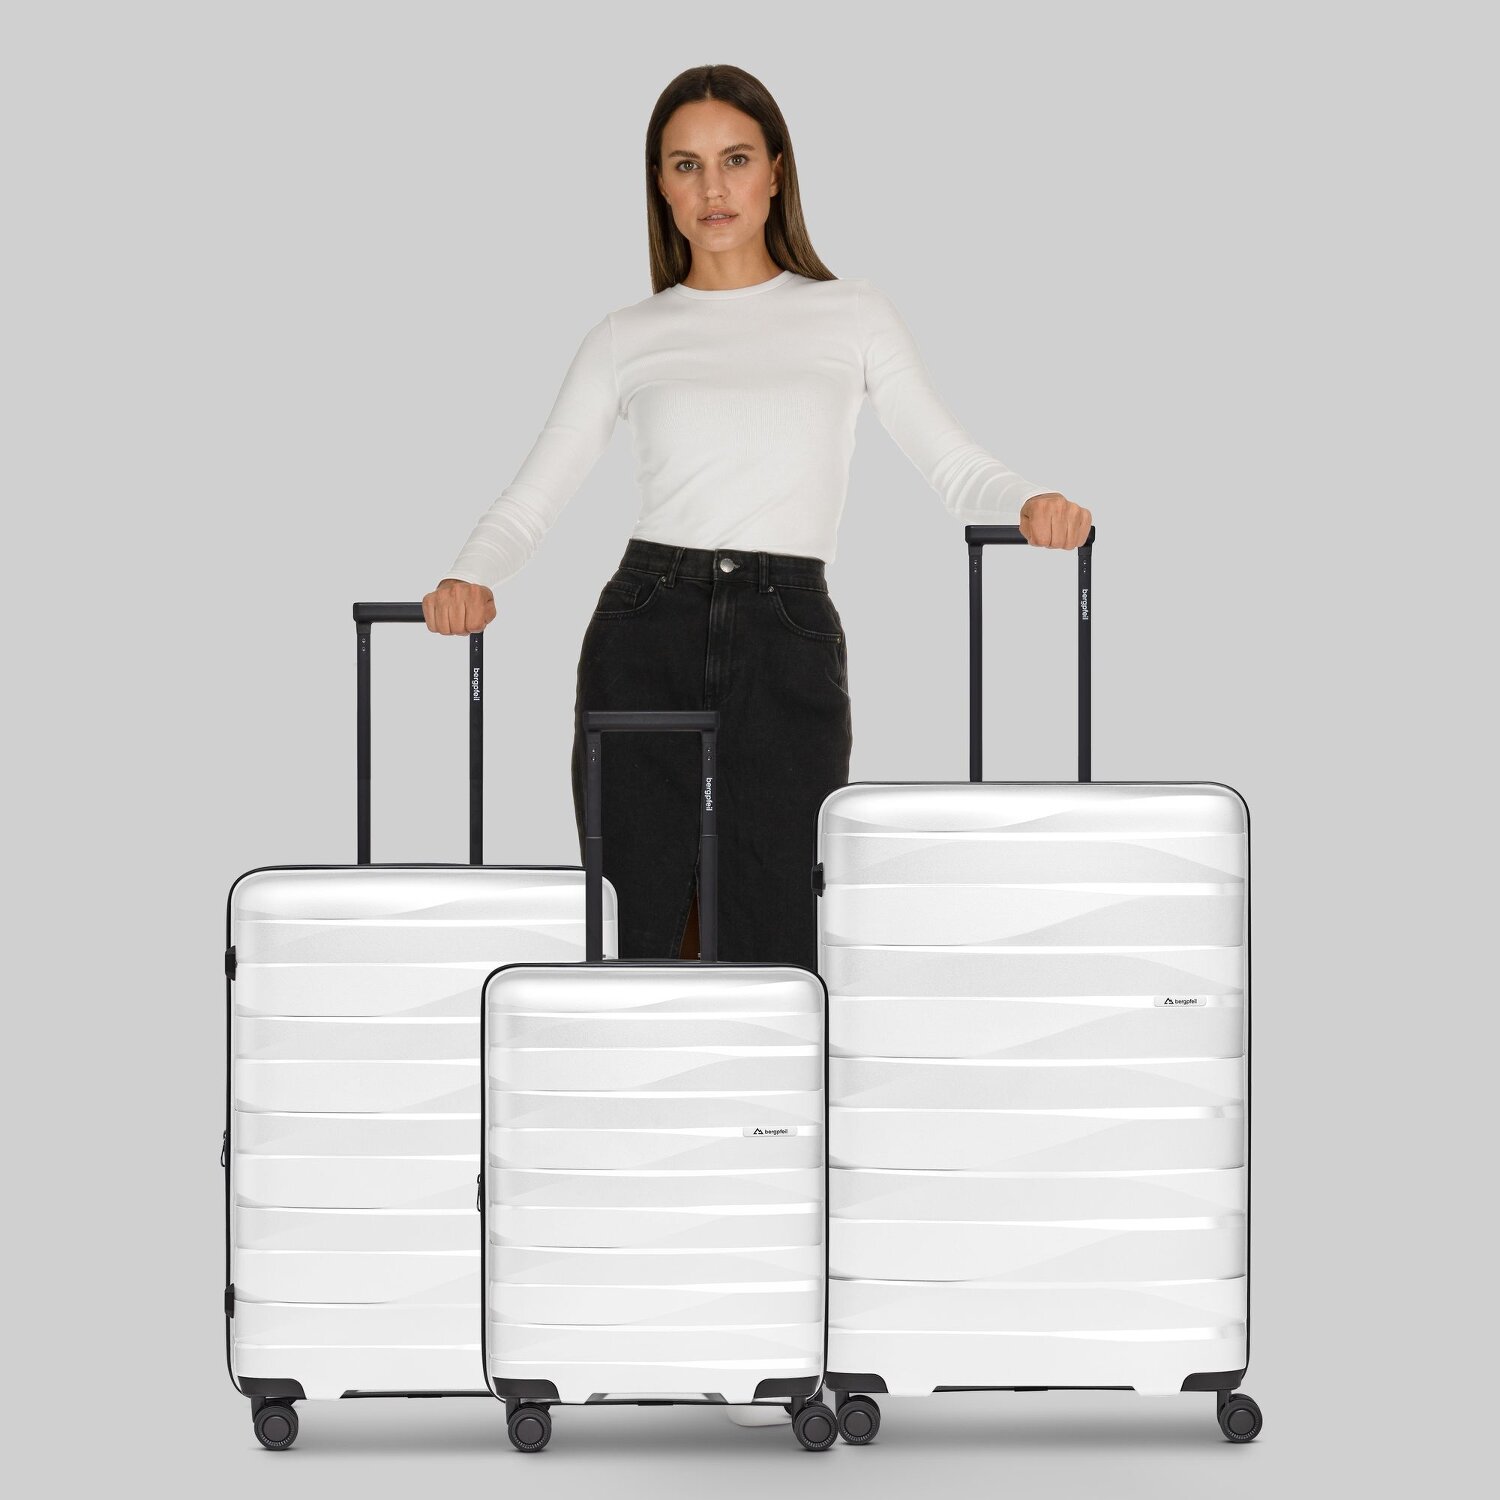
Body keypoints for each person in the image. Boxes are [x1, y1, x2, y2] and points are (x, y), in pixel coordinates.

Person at [425, 64, 1092, 1427]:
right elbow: (538, 489)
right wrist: (471, 574)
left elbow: (948, 457)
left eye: (735, 158)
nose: (712, 187)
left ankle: (775, 1304)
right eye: (685, 164)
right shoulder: (630, 335)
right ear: (660, 188)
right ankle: (641, 1283)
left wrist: (1030, 500)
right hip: (648, 620)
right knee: (643, 930)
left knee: (779, 937)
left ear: (777, 171)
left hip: (787, 635)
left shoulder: (849, 315)